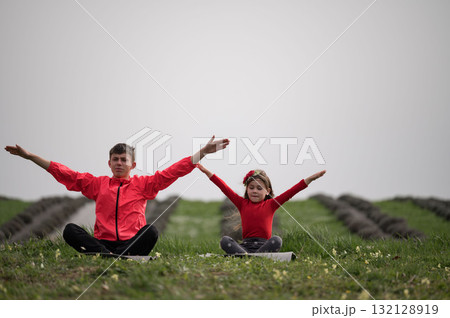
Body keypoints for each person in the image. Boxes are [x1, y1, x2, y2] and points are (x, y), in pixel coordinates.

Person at [5, 136, 229, 256]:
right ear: (109, 163)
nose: (119, 163)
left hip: (131, 242)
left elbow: (173, 172)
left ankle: (109, 255)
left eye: (124, 160)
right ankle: (107, 253)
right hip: (103, 241)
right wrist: (31, 156)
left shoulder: (143, 184)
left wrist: (201, 153)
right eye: (116, 159)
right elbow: (65, 173)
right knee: (70, 230)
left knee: (151, 231)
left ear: (133, 164)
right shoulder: (98, 184)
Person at [197, 164, 326, 254]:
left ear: (267, 191)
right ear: (247, 189)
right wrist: (208, 172)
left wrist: (310, 179)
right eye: (251, 187)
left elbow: (292, 191)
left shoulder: (271, 204)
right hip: (245, 247)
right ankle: (247, 256)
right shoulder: (242, 203)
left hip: (264, 246)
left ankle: (255, 256)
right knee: (225, 240)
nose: (255, 191)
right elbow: (224, 187)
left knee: (277, 240)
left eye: (259, 188)